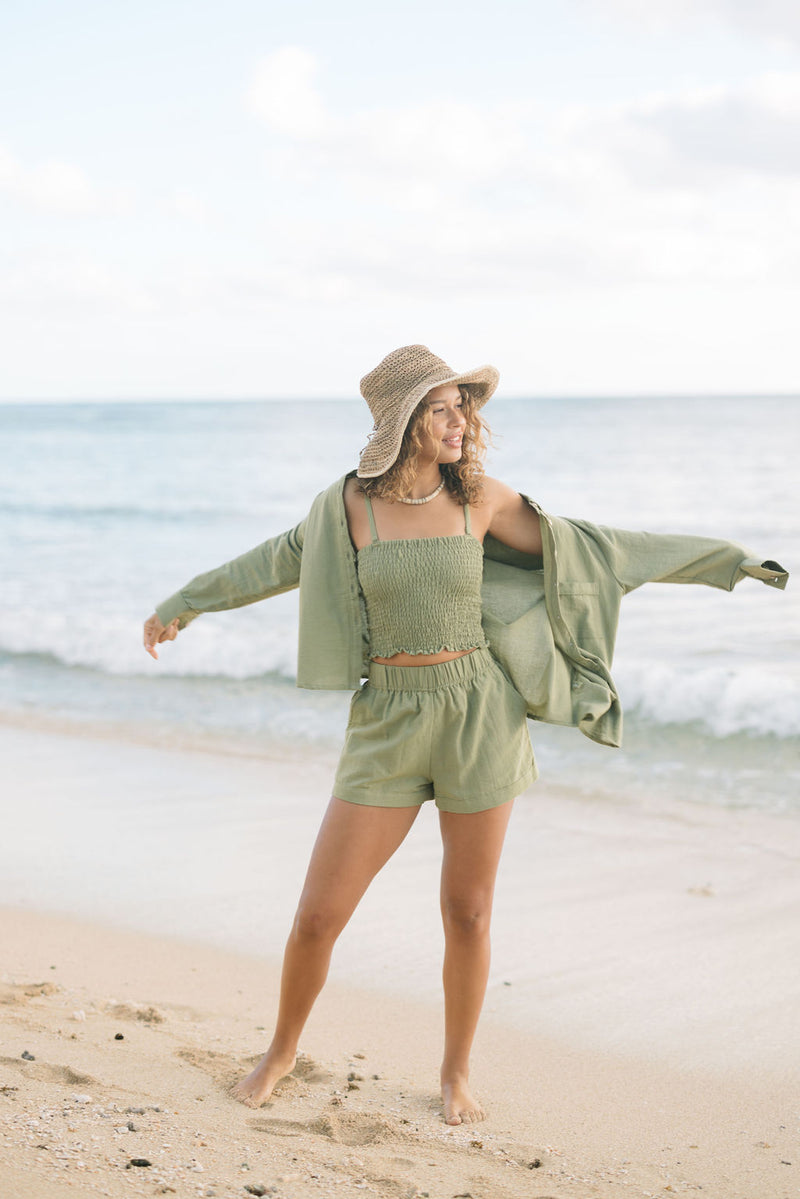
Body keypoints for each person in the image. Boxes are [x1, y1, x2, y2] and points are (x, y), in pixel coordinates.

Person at [143, 344, 787, 1125]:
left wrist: (725, 558)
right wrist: (186, 600)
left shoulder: (479, 497)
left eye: (464, 406)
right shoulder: (348, 506)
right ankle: (279, 1050)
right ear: (405, 421)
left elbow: (598, 548)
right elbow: (273, 563)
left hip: (479, 713)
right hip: (387, 717)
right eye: (444, 407)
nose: (462, 421)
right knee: (318, 914)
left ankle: (454, 1073)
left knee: (468, 910)